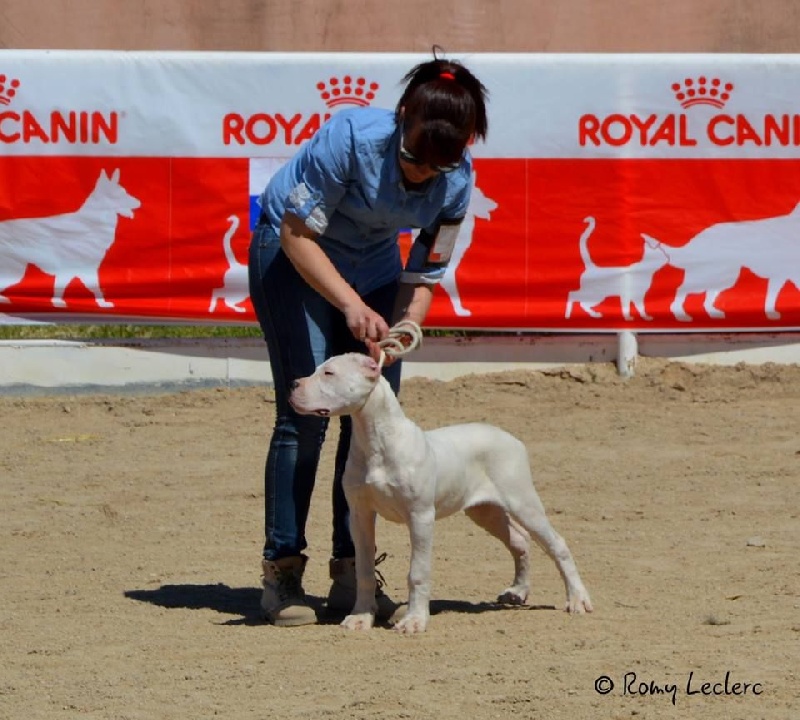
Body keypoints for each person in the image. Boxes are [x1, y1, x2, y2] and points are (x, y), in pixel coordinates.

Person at [247, 49, 489, 626]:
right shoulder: (348, 136)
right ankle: (282, 573)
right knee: (307, 413)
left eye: (435, 168)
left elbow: (427, 268)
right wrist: (352, 305)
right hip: (292, 256)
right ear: (403, 116)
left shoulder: (456, 180)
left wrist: (407, 324)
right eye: (412, 158)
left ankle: (351, 573)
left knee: (374, 415)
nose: (419, 175)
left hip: (376, 267)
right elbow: (297, 232)